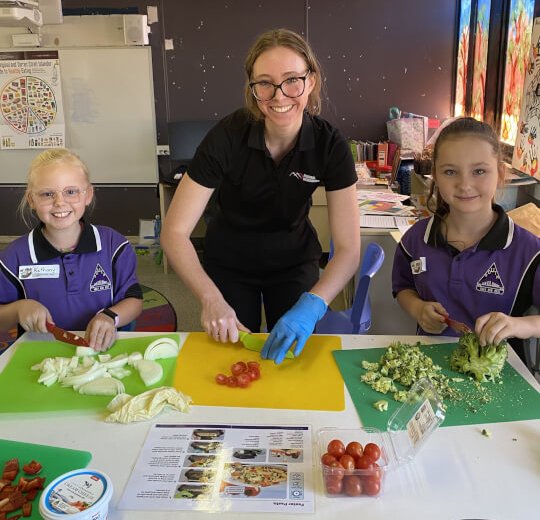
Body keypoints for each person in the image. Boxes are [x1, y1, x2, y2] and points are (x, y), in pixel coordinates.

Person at [161, 28, 360, 364]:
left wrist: (314, 303)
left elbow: (349, 248)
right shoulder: (226, 136)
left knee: (293, 360)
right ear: (252, 88)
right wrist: (210, 298)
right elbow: (174, 232)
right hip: (230, 264)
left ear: (311, 81)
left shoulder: (330, 144)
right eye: (264, 83)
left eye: (292, 80)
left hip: (294, 261)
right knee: (232, 361)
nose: (279, 96)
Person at [392, 117, 540, 359]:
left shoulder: (529, 252)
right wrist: (418, 309)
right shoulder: (416, 240)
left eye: (479, 171)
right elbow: (403, 287)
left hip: (501, 378)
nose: (465, 184)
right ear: (435, 177)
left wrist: (519, 325)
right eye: (450, 172)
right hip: (428, 367)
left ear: (501, 173)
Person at [0, 149, 143, 351]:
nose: (59, 202)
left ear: (88, 195)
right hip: (42, 354)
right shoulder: (13, 257)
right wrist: (18, 309)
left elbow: (134, 300)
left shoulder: (114, 244)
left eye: (71, 191)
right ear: (32, 200)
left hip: (105, 351)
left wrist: (110, 317)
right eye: (48, 194)